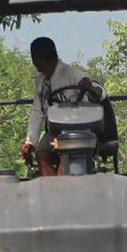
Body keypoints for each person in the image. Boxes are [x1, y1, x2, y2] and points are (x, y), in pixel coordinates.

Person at [21, 36, 103, 176]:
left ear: (37, 59)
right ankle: (53, 188)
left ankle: (62, 187)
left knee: (66, 154)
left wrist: (87, 84)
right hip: (54, 130)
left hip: (77, 128)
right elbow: (37, 112)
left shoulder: (70, 72)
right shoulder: (40, 82)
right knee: (41, 153)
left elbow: (96, 90)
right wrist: (30, 141)